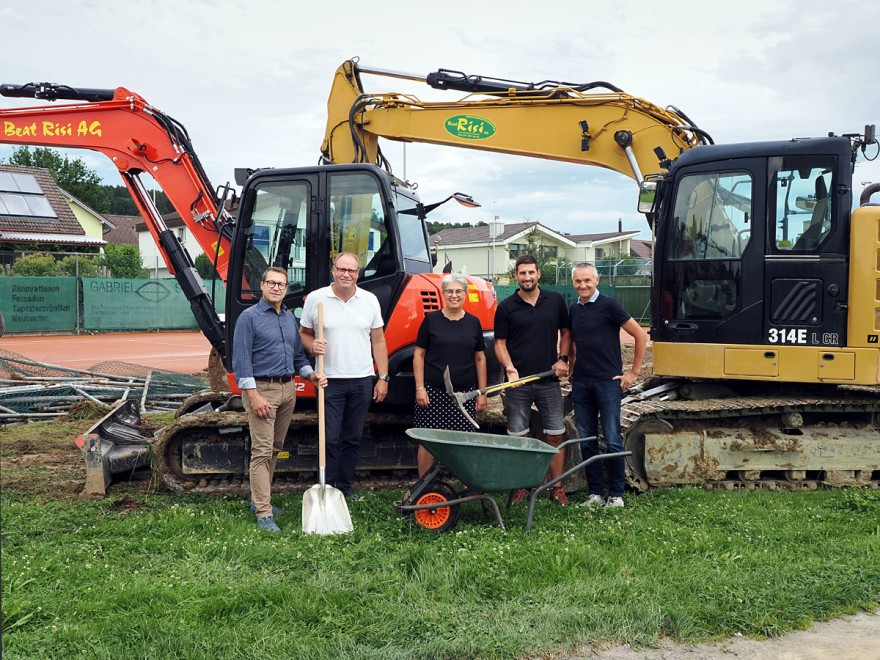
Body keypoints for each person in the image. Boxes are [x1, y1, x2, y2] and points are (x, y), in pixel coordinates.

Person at [232, 266, 325, 533]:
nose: (276, 287)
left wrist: (310, 374)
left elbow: (297, 357)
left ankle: (259, 500)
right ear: (261, 285)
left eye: (281, 284)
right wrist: (253, 395)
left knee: (274, 449)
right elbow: (241, 361)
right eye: (271, 283)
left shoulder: (288, 318)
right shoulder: (248, 318)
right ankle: (263, 512)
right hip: (262, 391)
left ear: (286, 288)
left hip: (287, 390)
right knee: (261, 453)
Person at [300, 252, 389, 499]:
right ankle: (327, 487)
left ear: (358, 274)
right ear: (333, 270)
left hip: (361, 379)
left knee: (352, 438)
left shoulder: (369, 300)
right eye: (342, 269)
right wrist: (312, 345)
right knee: (329, 438)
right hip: (329, 380)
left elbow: (379, 340)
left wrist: (383, 377)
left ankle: (344, 490)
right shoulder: (317, 299)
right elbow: (304, 333)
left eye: (351, 270)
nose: (346, 274)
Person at [494, 254, 571, 506]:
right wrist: (510, 369)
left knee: (555, 434)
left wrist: (563, 359)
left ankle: (556, 487)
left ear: (539, 274)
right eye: (522, 273)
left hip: (548, 381)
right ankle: (522, 486)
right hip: (518, 385)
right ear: (516, 276)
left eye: (531, 273)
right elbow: (500, 344)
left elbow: (566, 331)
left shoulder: (555, 301)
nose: (527, 277)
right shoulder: (506, 307)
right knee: (519, 436)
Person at [569, 262, 647, 509]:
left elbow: (640, 335)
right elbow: (573, 343)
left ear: (597, 280)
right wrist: (571, 369)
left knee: (612, 438)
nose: (583, 285)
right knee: (587, 439)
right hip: (581, 382)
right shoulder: (574, 309)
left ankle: (616, 494)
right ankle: (594, 493)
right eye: (578, 281)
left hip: (607, 382)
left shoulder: (610, 305)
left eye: (587, 281)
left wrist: (633, 372)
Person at [413, 272, 488, 475]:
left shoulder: (474, 322)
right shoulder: (431, 321)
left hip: (465, 395)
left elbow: (480, 359)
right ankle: (424, 487)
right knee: (428, 440)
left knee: (464, 442)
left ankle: (466, 482)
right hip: (433, 393)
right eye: (449, 291)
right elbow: (419, 355)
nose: (454, 295)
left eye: (458, 291)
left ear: (464, 294)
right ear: (443, 294)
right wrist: (420, 388)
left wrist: (482, 393)